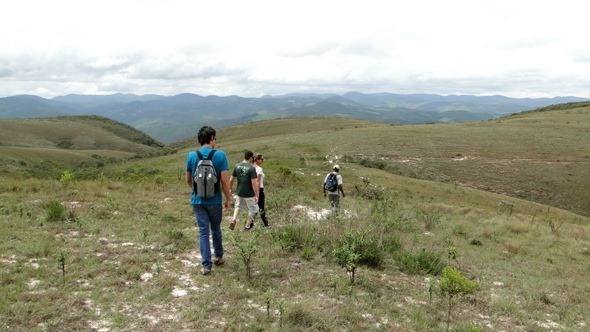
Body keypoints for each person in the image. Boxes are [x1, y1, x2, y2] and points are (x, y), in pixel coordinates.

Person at [185, 126, 232, 275]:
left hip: (197, 201)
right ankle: (218, 256)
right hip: (215, 200)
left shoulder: (191, 156)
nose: (215, 141)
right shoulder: (220, 155)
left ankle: (206, 265)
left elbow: (188, 178)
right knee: (216, 228)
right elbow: (224, 181)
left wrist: (197, 190)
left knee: (203, 232)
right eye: (215, 138)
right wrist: (228, 198)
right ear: (211, 138)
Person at [229, 150, 259, 230]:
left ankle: (234, 219)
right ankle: (247, 226)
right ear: (250, 158)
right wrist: (256, 194)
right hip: (249, 193)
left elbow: (231, 179)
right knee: (253, 209)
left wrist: (230, 189)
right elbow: (254, 182)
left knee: (238, 206)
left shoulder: (237, 166)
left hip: (239, 192)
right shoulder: (252, 168)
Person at [253, 153, 269, 227]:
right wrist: (258, 193)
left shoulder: (252, 168)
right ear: (257, 160)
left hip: (252, 189)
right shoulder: (259, 169)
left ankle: (249, 224)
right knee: (261, 207)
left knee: (255, 207)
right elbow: (258, 181)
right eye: (262, 159)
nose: (263, 161)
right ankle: (266, 224)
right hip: (259, 189)